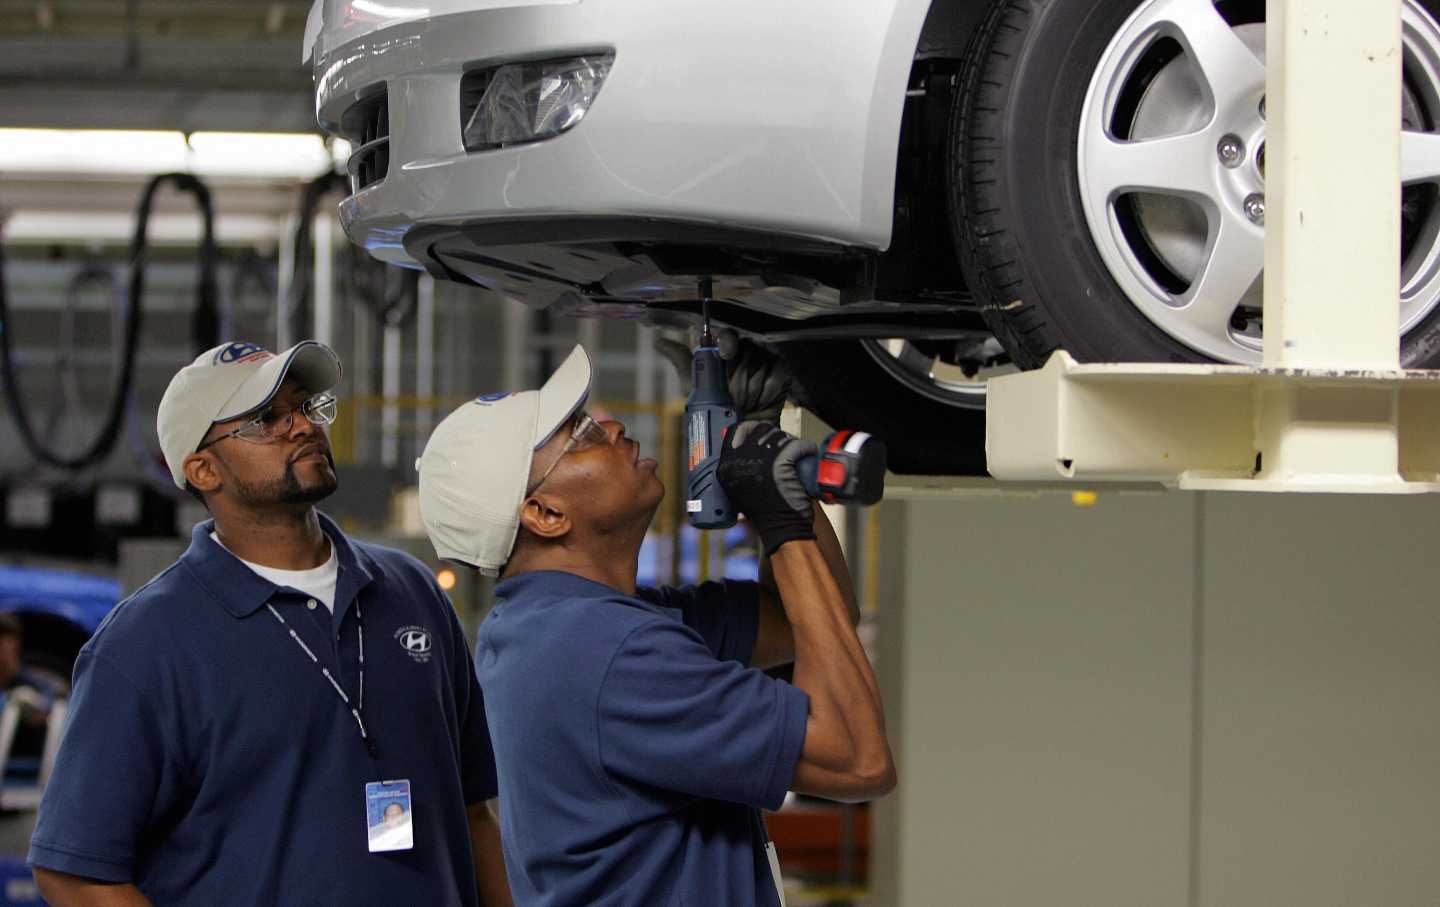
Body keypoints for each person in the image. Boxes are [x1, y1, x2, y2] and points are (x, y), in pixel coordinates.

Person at [29, 340, 513, 907]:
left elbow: (474, 811)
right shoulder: (144, 645)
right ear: (203, 469)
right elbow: (75, 872)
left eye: (305, 407)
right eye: (265, 420)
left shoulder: (411, 593)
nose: (302, 427)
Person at [416, 345, 895, 907]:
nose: (614, 426)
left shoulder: (553, 625)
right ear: (545, 515)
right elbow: (859, 759)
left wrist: (768, 454)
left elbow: (802, 618)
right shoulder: (606, 653)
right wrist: (779, 519)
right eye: (583, 435)